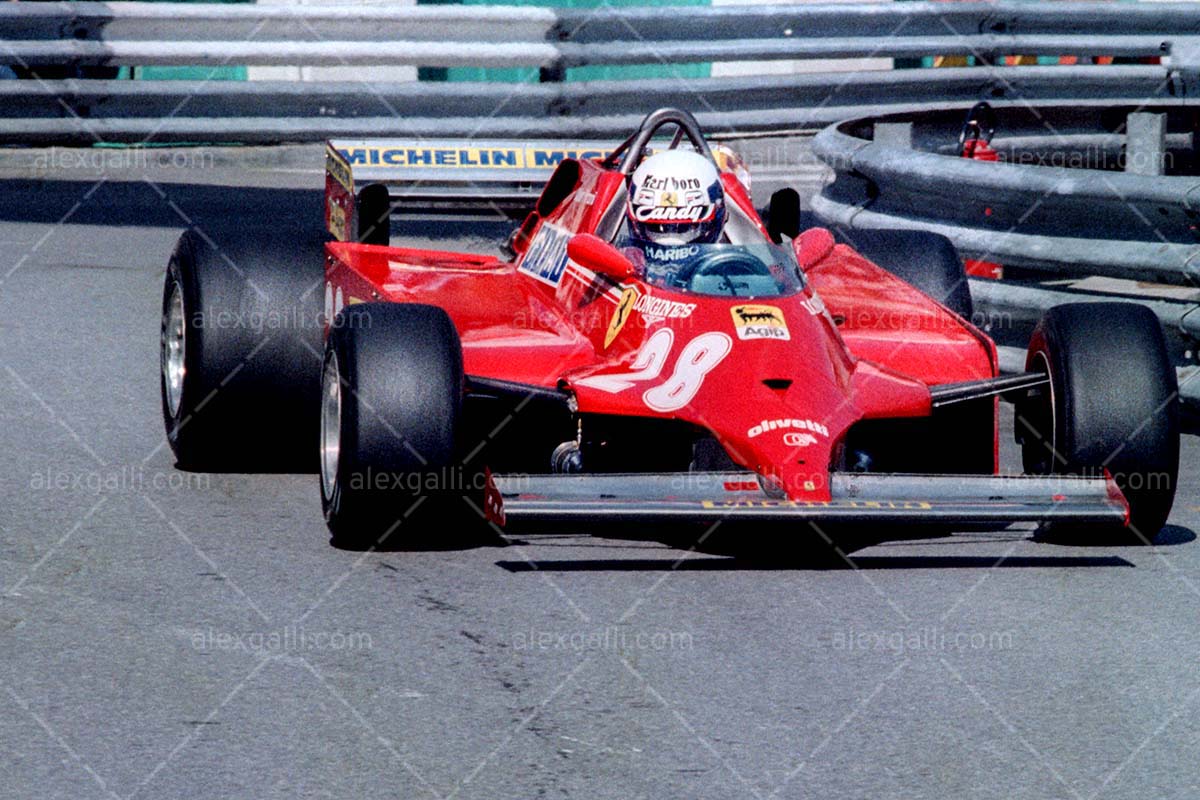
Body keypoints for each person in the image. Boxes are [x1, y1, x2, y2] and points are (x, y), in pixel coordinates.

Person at [619, 149, 727, 287]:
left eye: (685, 229)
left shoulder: (736, 268)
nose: (670, 243)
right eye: (655, 229)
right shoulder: (624, 264)